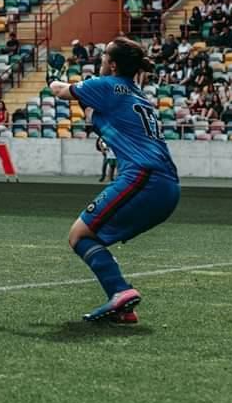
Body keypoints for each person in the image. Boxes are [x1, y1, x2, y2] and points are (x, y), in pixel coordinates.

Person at [47, 37, 180, 324]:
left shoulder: (105, 85)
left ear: (113, 64)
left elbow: (59, 92)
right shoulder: (137, 94)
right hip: (167, 186)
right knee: (91, 236)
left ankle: (120, 290)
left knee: (79, 235)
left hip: (144, 177)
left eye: (105, 55)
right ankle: (123, 305)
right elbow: (96, 117)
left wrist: (53, 76)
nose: (101, 59)